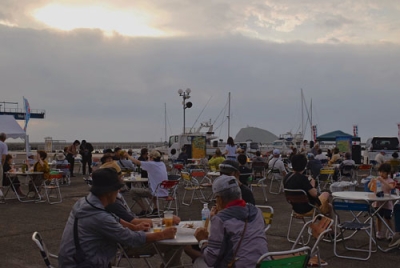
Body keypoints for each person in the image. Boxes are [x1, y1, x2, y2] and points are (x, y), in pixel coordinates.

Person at [58, 168, 177, 267]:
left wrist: (133, 227)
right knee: (174, 245)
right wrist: (162, 234)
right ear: (109, 191)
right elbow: (130, 239)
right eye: (117, 188)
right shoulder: (99, 216)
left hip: (73, 260)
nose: (119, 191)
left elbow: (112, 218)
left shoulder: (83, 203)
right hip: (85, 264)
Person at [192, 175, 268, 267]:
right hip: (264, 264)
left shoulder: (220, 219)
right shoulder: (257, 212)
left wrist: (202, 241)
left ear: (219, 199)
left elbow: (211, 259)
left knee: (198, 262)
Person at [128, 150, 169, 216]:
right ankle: (155, 208)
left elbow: (137, 162)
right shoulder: (162, 164)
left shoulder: (151, 164)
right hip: (164, 191)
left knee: (132, 191)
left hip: (155, 192)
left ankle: (144, 210)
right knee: (152, 187)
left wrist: (128, 156)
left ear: (152, 158)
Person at [368, 163, 396, 240]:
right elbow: (370, 187)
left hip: (386, 203)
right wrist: (371, 181)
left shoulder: (390, 180)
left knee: (387, 218)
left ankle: (390, 231)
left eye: (383, 172)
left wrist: (383, 181)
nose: (381, 174)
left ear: (388, 173)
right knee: (378, 218)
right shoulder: (378, 179)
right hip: (377, 202)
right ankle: (379, 232)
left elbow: (390, 187)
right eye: (380, 172)